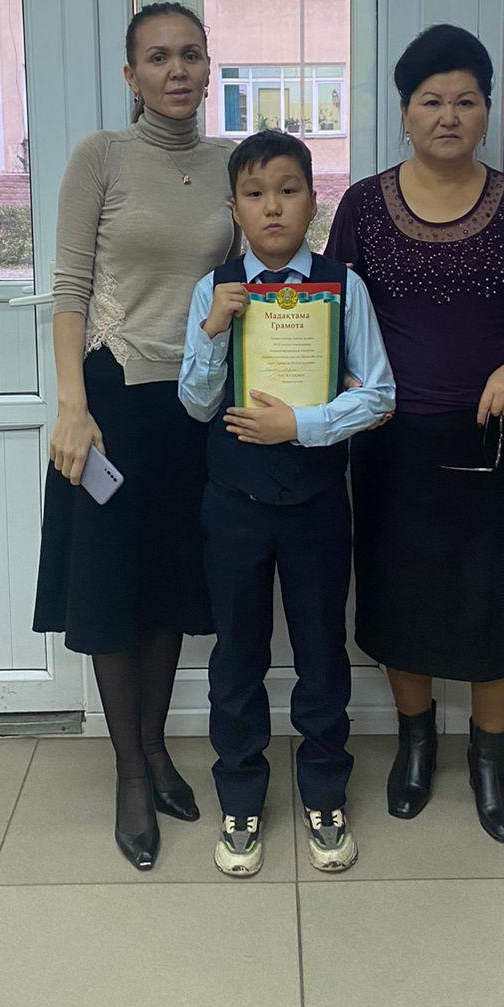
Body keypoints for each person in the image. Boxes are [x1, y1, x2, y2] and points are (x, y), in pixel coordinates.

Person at [327, 25, 504, 843]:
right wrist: (342, 384)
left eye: (466, 101)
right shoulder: (364, 206)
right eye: (431, 101)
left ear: (487, 111)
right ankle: (415, 745)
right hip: (391, 441)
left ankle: (489, 757)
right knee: (398, 595)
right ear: (405, 113)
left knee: (495, 600)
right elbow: (332, 312)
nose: (449, 116)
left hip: (496, 443)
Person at [32, 2, 237, 871]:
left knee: (171, 585)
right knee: (114, 591)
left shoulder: (233, 164)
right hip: (113, 400)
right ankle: (128, 770)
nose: (176, 70)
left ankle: (155, 747)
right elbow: (69, 290)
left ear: (209, 66)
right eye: (157, 57)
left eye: (190, 54)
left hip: (197, 407)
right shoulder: (101, 157)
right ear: (131, 75)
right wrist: (71, 407)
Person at [179, 130, 395, 877]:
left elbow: (380, 394)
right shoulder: (213, 290)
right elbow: (196, 404)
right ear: (234, 207)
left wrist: (299, 425)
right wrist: (214, 330)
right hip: (233, 504)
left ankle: (325, 792)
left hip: (316, 502)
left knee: (320, 651)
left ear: (312, 201)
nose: (272, 206)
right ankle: (240, 795)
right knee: (236, 656)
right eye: (254, 193)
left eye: (288, 190)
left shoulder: (342, 287)